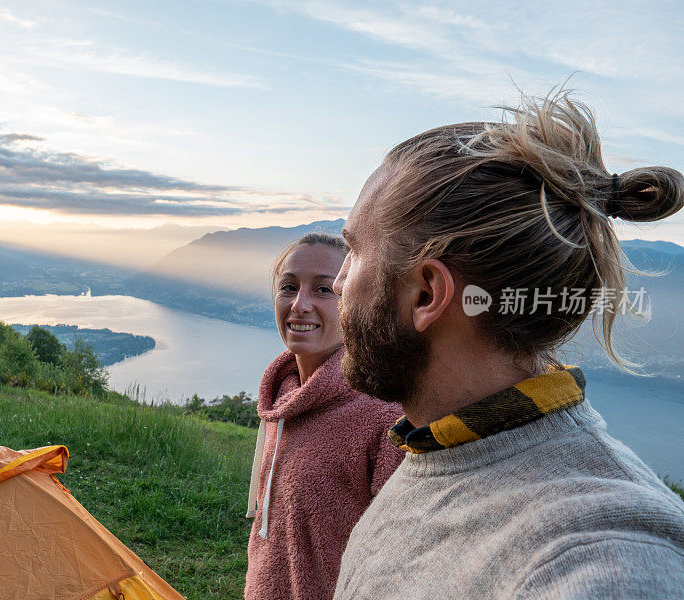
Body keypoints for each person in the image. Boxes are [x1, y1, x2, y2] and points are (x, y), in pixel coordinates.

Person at [332, 91, 684, 599]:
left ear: (427, 293)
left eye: (354, 250)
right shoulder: (442, 450)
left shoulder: (601, 561)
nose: (339, 283)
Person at [244, 233, 403, 600]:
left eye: (324, 290)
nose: (299, 304)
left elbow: (397, 561)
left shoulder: (385, 413)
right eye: (289, 287)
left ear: (358, 299)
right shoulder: (280, 399)